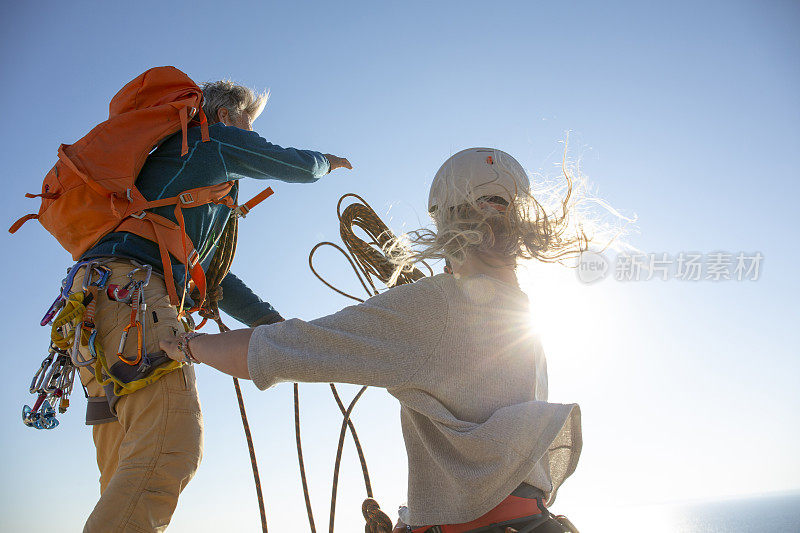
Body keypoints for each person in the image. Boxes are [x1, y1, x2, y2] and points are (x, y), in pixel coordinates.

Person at [161, 148, 587, 532]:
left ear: (445, 220)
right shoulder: (523, 312)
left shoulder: (430, 306)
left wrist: (188, 346)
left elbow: (275, 350)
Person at [74, 79, 352, 532]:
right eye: (247, 125)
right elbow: (292, 164)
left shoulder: (175, 172)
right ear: (225, 116)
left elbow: (213, 280)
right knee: (169, 447)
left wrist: (267, 320)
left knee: (129, 464)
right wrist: (326, 163)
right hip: (136, 299)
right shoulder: (210, 139)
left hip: (95, 311)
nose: (248, 136)